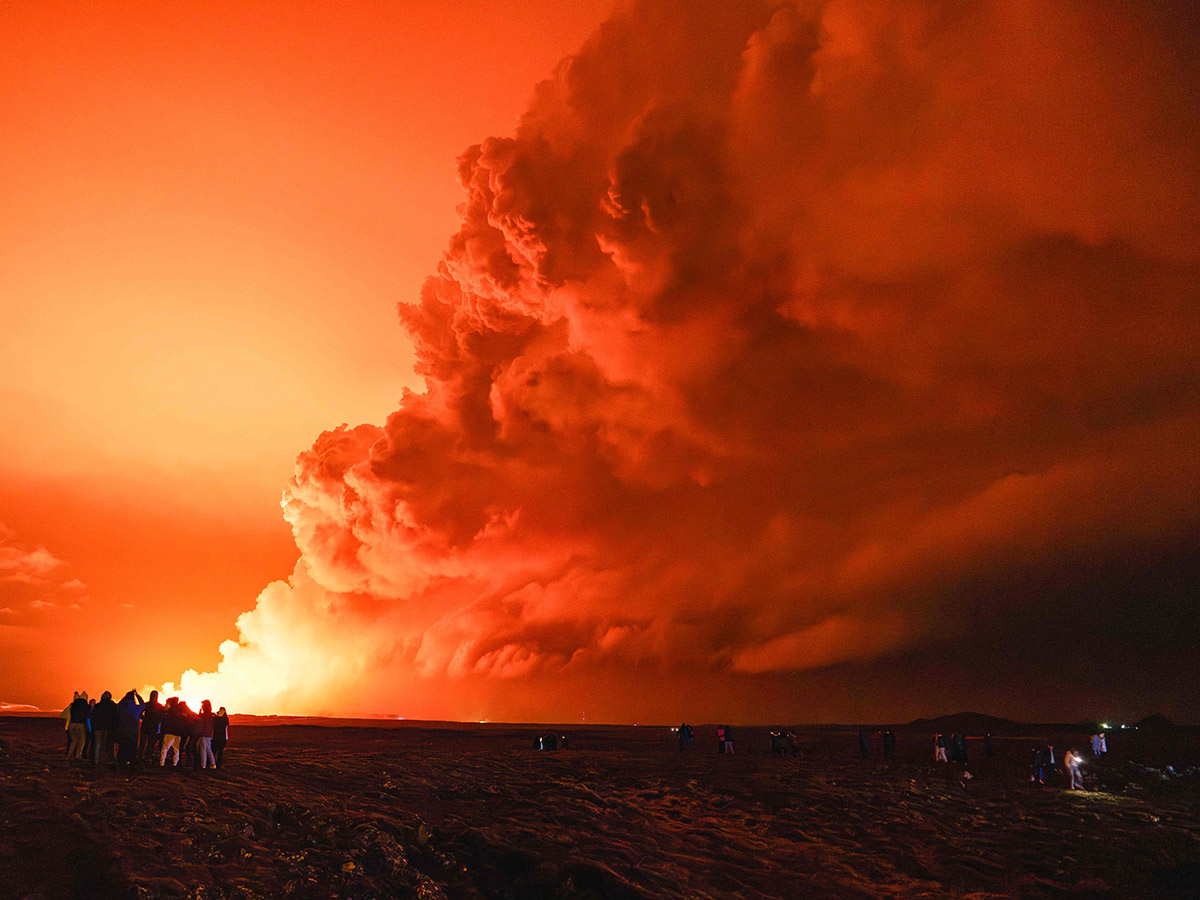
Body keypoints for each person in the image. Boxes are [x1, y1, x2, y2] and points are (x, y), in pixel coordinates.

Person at [115, 689, 145, 769]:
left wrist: (125, 698)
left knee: (122, 749)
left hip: (123, 731)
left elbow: (119, 704)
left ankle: (121, 764)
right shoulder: (136, 708)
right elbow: (143, 705)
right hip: (133, 733)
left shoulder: (122, 708)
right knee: (132, 749)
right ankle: (131, 765)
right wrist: (138, 695)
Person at [91, 691, 119, 765]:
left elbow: (93, 716)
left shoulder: (97, 706)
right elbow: (115, 717)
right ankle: (104, 760)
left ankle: (96, 760)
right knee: (106, 745)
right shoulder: (112, 706)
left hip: (98, 728)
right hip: (107, 728)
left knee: (98, 744)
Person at [140, 690, 164, 764]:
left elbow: (140, 713)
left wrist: (144, 719)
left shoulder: (146, 705)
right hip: (153, 728)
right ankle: (147, 759)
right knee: (150, 745)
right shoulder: (160, 706)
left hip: (145, 727)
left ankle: (140, 758)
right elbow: (162, 718)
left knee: (143, 744)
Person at [160, 697, 185, 766]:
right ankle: (175, 763)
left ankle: (162, 763)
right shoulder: (180, 711)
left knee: (165, 748)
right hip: (178, 733)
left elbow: (165, 720)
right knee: (176, 749)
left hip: (170, 732)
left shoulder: (169, 711)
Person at [66, 692, 90, 760]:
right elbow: (87, 716)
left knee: (74, 740)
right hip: (80, 724)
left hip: (71, 724)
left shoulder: (73, 706)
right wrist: (89, 728)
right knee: (82, 740)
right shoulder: (85, 706)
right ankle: (78, 754)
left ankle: (69, 755)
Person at [197, 700, 217, 768]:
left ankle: (203, 764)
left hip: (204, 734)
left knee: (203, 750)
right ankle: (212, 764)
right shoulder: (212, 715)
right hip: (209, 734)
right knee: (208, 749)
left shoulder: (204, 715)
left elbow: (199, 720)